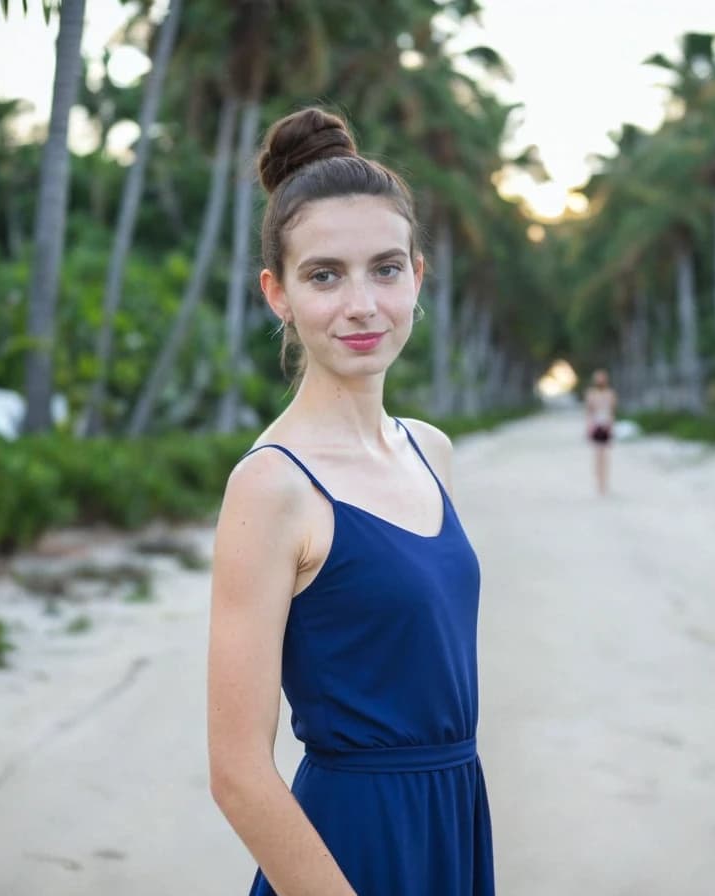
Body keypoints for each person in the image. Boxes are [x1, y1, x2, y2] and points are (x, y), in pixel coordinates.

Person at [207, 107, 493, 896]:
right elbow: (236, 771)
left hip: (452, 815)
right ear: (279, 295)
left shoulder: (430, 450)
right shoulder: (271, 487)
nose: (362, 304)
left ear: (418, 276)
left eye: (385, 268)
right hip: (345, 850)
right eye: (325, 275)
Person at [584, 368, 618, 495]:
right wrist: (589, 427)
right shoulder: (591, 394)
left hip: (606, 426)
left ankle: (605, 482)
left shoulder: (610, 394)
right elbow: (588, 412)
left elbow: (612, 412)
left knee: (605, 456)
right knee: (597, 455)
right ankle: (599, 482)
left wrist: (611, 426)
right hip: (596, 426)